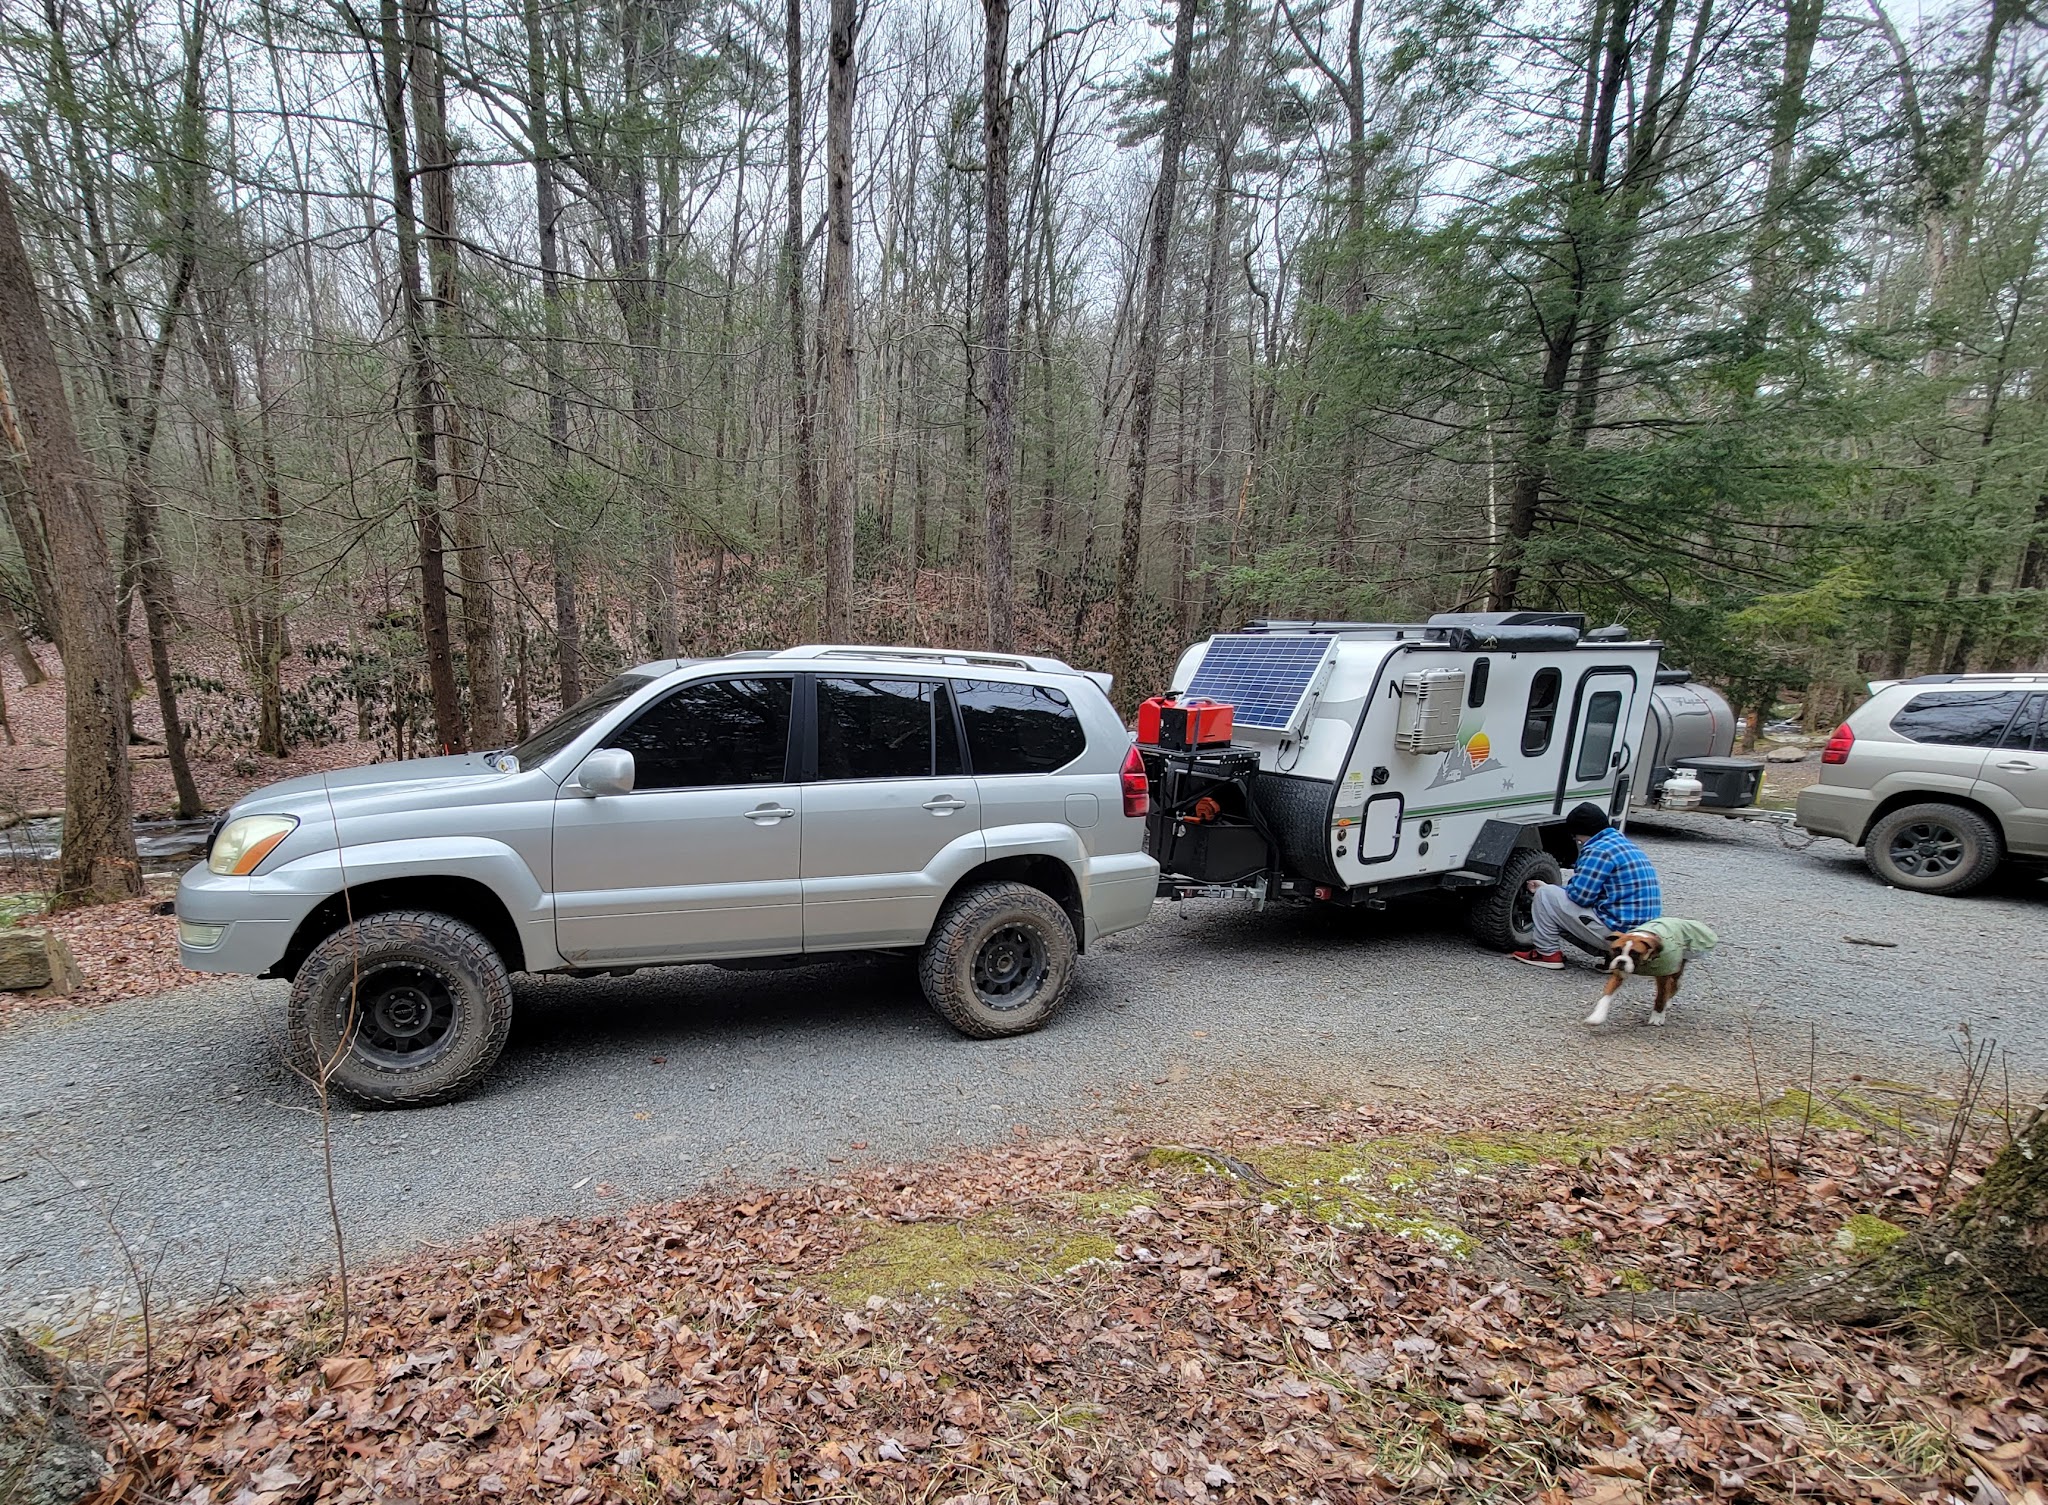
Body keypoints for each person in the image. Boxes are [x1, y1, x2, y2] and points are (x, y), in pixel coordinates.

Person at [1509, 802, 1660, 968]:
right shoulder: (1623, 844)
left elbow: (1581, 897)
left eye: (1576, 836)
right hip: (1642, 936)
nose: (1577, 841)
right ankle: (1614, 957)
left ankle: (1547, 954)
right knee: (1552, 896)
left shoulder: (1598, 850)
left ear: (1582, 832)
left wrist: (1545, 890)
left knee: (1545, 895)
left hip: (1619, 934)